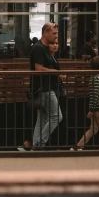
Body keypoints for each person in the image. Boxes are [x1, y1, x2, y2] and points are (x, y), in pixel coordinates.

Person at [27, 22, 63, 150]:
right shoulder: (38, 48)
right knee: (56, 116)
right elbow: (39, 69)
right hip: (44, 88)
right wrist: (56, 73)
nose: (56, 36)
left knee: (41, 119)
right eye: (53, 33)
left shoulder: (43, 48)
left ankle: (35, 147)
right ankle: (39, 144)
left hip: (43, 88)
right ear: (45, 32)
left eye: (56, 33)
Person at [74, 56, 99, 151]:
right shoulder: (97, 79)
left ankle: (79, 146)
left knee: (93, 129)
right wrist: (92, 109)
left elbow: (95, 95)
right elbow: (96, 95)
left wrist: (92, 109)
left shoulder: (93, 78)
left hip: (96, 108)